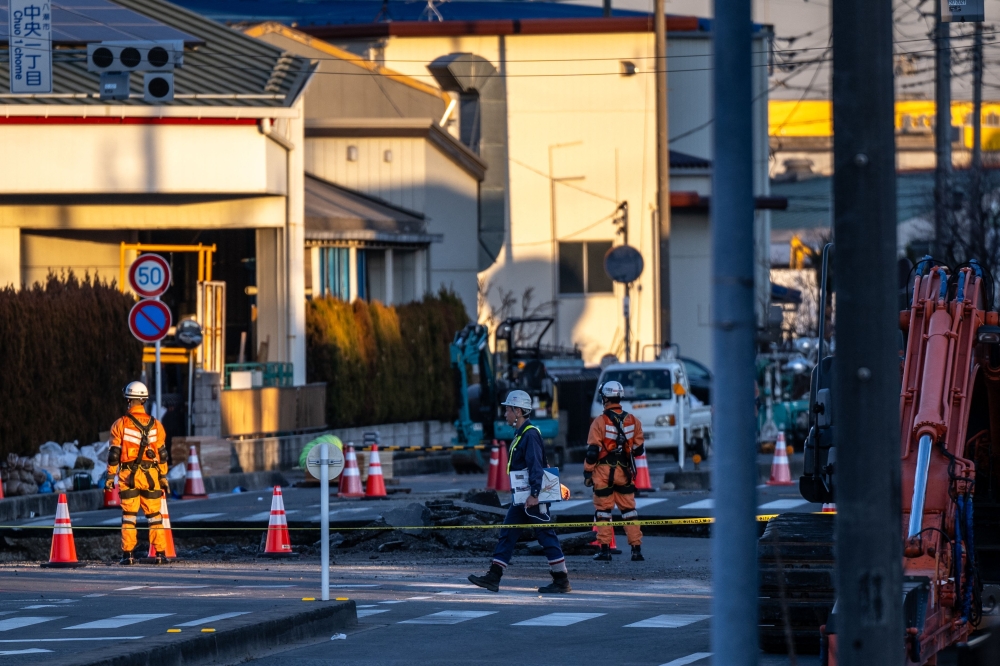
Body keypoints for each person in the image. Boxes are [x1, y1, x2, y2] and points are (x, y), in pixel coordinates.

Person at [468, 390, 571, 594]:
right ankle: (494, 577)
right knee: (508, 532)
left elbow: (535, 467)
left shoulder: (530, 434)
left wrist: (534, 494)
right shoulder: (522, 433)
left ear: (518, 411)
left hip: (532, 496)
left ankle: (561, 580)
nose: (505, 413)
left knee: (545, 535)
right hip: (523, 497)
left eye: (508, 409)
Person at [105, 381, 170, 565]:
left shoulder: (120, 425)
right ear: (143, 401)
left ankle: (129, 555)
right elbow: (163, 454)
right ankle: (160, 554)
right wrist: (163, 476)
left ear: (128, 400)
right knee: (155, 516)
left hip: (128, 476)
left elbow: (114, 455)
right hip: (151, 476)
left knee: (129, 517)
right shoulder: (156, 425)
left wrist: (110, 476)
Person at [585, 381, 645, 562]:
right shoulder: (633, 420)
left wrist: (587, 472)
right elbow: (639, 450)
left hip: (603, 472)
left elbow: (592, 451)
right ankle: (636, 550)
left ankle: (605, 550)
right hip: (625, 472)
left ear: (605, 398)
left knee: (603, 511)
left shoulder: (599, 422)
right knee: (629, 511)